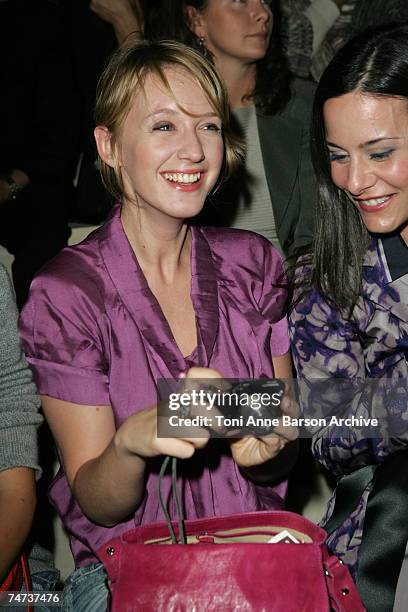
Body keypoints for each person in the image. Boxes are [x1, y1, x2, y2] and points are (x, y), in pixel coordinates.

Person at [20, 39, 296, 610]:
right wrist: (129, 445)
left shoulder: (254, 266)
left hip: (257, 560)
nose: (194, 150)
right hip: (134, 575)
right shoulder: (69, 295)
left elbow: (281, 440)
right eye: (164, 127)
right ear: (110, 145)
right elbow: (99, 502)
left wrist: (272, 445)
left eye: (209, 126)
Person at [289, 23, 408, 612]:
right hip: (385, 545)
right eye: (339, 156)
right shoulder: (331, 271)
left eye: (380, 152)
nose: (357, 181)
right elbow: (327, 432)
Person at [139, 0, 316, 258]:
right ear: (195, 20)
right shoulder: (160, 112)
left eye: (265, 1)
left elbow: (316, 238)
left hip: (289, 286)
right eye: (240, 1)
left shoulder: (306, 105)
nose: (262, 13)